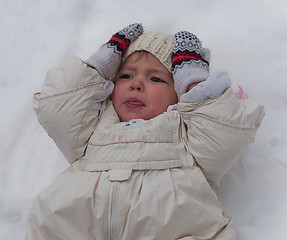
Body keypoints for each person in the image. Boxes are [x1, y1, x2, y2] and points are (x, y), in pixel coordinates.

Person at [26, 23, 265, 240]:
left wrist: (194, 82)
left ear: (179, 93)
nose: (136, 84)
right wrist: (96, 67)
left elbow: (225, 131)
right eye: (126, 75)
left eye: (156, 79)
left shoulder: (188, 138)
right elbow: (55, 108)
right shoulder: (91, 129)